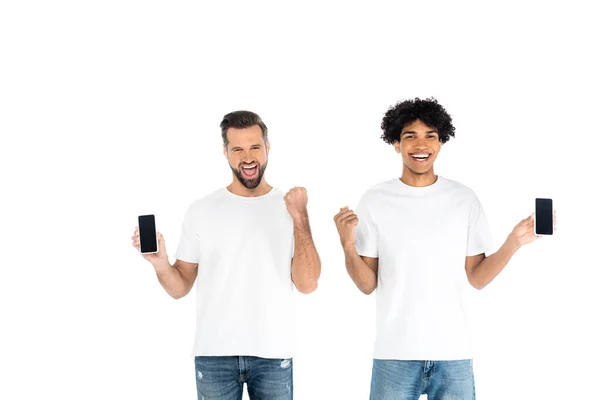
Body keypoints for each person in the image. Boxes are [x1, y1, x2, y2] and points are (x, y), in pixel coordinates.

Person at [333, 97, 556, 400]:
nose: (420, 145)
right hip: (394, 354)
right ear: (396, 144)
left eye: (430, 136)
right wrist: (347, 244)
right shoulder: (375, 200)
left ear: (441, 143)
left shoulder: (463, 199)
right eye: (410, 136)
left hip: (453, 354)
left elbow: (476, 277)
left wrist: (514, 242)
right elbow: (367, 284)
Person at [131, 110, 321, 400]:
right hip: (214, 355)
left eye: (255, 147)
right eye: (238, 149)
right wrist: (160, 264)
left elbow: (307, 284)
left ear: (268, 148)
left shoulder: (290, 208)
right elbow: (180, 286)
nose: (248, 157)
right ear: (225, 152)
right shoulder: (202, 210)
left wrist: (301, 217)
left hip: (273, 354)